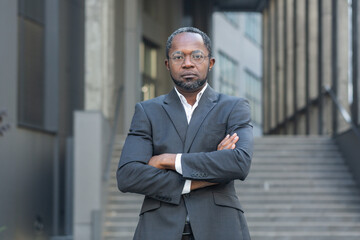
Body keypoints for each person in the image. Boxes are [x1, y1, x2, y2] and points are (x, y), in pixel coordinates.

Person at [117, 27, 253, 240]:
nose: (188, 63)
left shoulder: (233, 107)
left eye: (197, 56)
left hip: (220, 228)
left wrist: (167, 160)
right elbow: (128, 176)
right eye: (178, 56)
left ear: (211, 62)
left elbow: (239, 163)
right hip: (158, 229)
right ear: (167, 64)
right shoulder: (147, 111)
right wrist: (207, 174)